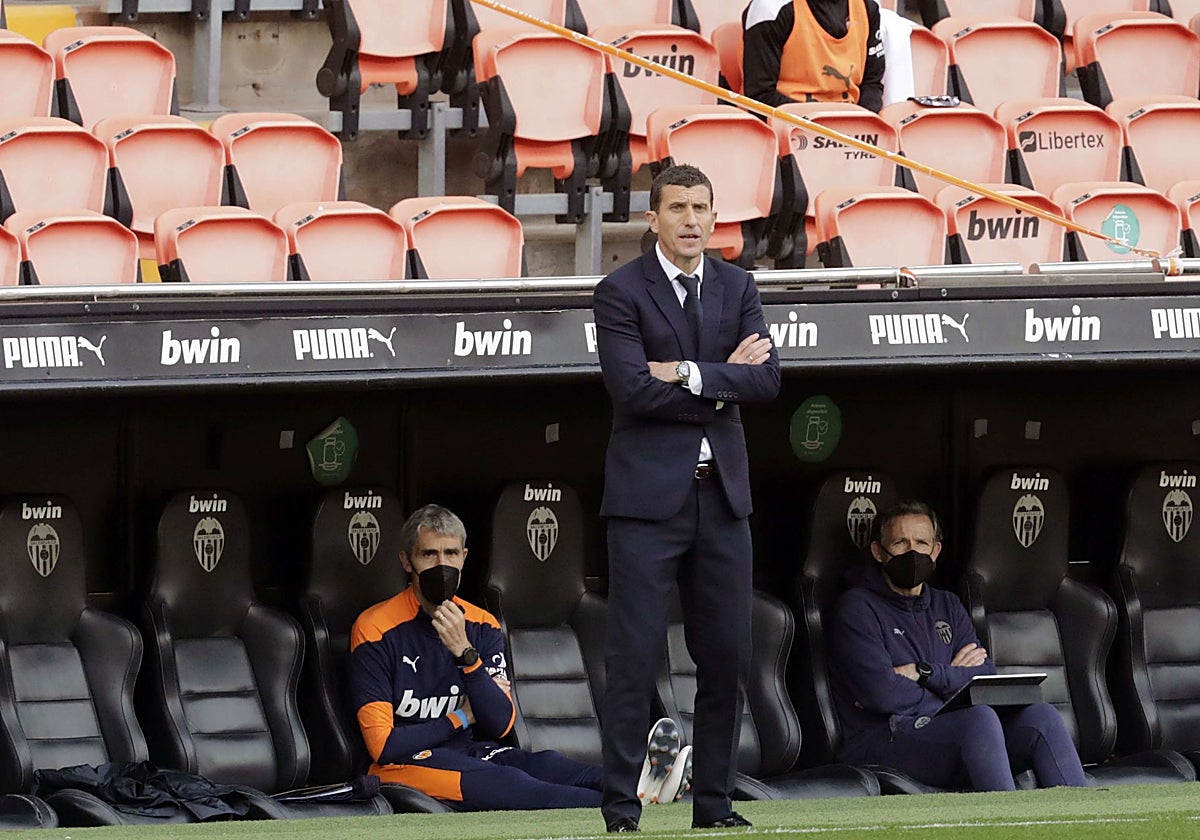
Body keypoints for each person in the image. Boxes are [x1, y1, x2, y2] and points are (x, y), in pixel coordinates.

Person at [592, 164, 781, 832]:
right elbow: (631, 390)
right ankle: (620, 812)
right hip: (647, 505)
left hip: (723, 501)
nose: (693, 220)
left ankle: (716, 808)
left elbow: (768, 383)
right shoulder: (619, 292)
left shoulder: (738, 284)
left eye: (702, 207)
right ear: (654, 218)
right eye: (678, 208)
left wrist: (693, 373)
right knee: (634, 658)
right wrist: (727, 377)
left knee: (727, 658)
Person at [349, 504, 692, 811]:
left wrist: (465, 654)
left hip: (471, 751)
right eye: (429, 554)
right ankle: (641, 801)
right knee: (517, 785)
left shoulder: (481, 624)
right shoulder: (375, 627)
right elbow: (384, 746)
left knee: (551, 766)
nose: (442, 565)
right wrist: (460, 718)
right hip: (404, 765)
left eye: (451, 554)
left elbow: (501, 723)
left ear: (464, 557)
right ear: (407, 560)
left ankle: (638, 782)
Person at [829, 500, 1089, 791]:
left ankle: (1087, 822)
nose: (912, 552)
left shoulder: (947, 605)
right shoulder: (856, 608)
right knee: (978, 718)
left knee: (1043, 717)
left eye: (921, 542)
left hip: (951, 732)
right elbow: (881, 692)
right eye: (900, 543)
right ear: (879, 551)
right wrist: (954, 691)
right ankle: (1010, 826)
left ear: (935, 550)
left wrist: (925, 672)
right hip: (881, 739)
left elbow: (985, 676)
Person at [742, 0, 886, 113]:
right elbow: (760, 96)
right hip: (787, 126)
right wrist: (822, 126)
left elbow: (872, 82)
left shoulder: (867, 7)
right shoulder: (770, 9)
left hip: (850, 125)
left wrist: (862, 124)